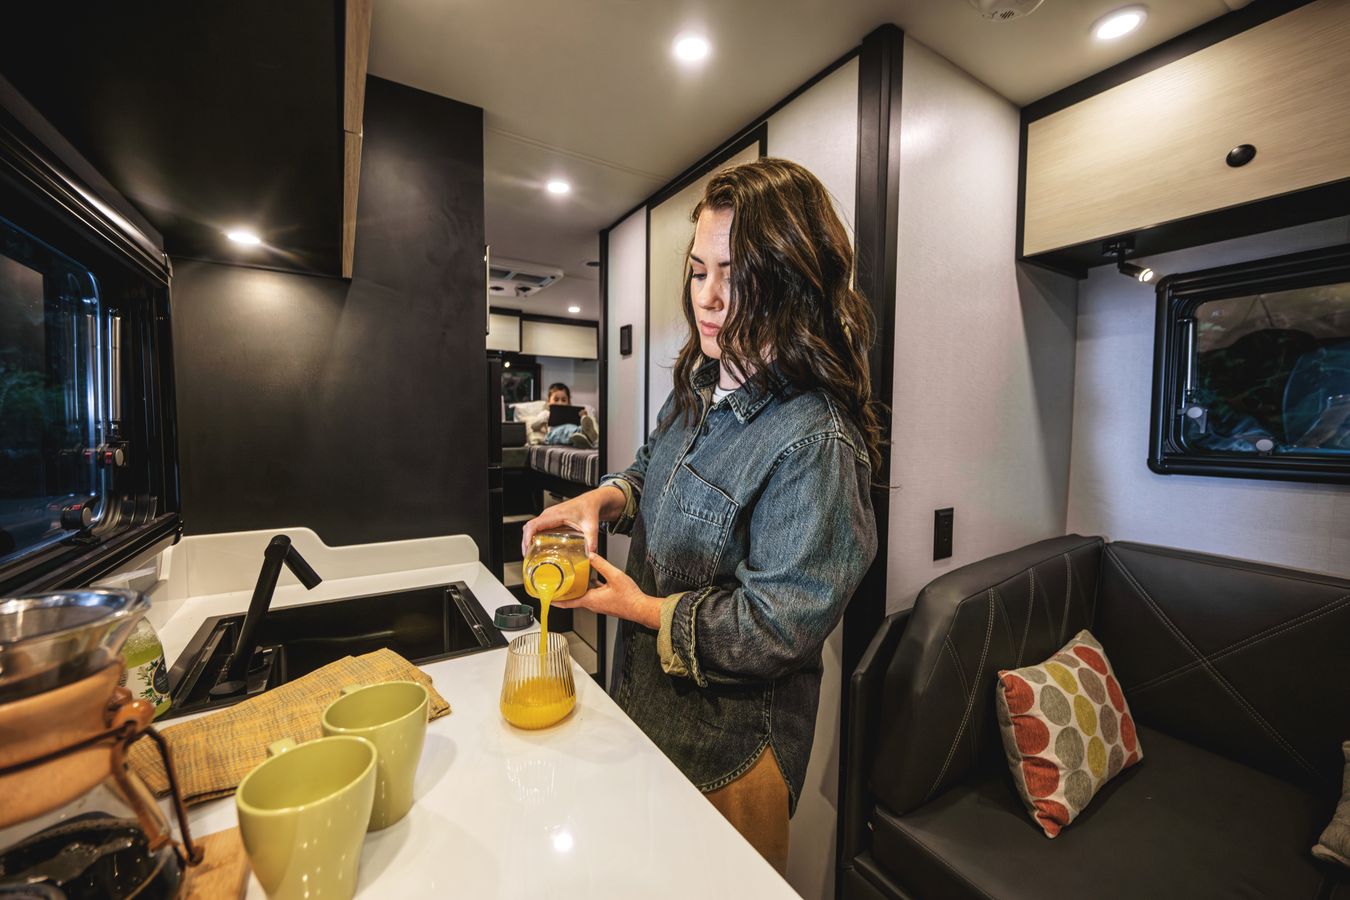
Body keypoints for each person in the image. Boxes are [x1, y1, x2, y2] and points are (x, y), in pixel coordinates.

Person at [521, 158, 880, 873]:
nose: (710, 300)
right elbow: (654, 467)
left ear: (792, 279)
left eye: (737, 275)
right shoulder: (698, 382)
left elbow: (778, 626)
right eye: (698, 270)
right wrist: (606, 496)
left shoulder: (815, 440)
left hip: (728, 754)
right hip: (642, 708)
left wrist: (645, 610)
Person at [527, 382, 598, 448]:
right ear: (548, 401)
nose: (560, 403)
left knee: (578, 426)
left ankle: (585, 436)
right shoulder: (546, 413)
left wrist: (583, 416)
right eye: (556, 399)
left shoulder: (571, 412)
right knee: (566, 429)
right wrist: (545, 418)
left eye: (564, 400)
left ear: (569, 402)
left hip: (573, 431)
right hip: (553, 435)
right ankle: (583, 434)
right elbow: (534, 426)